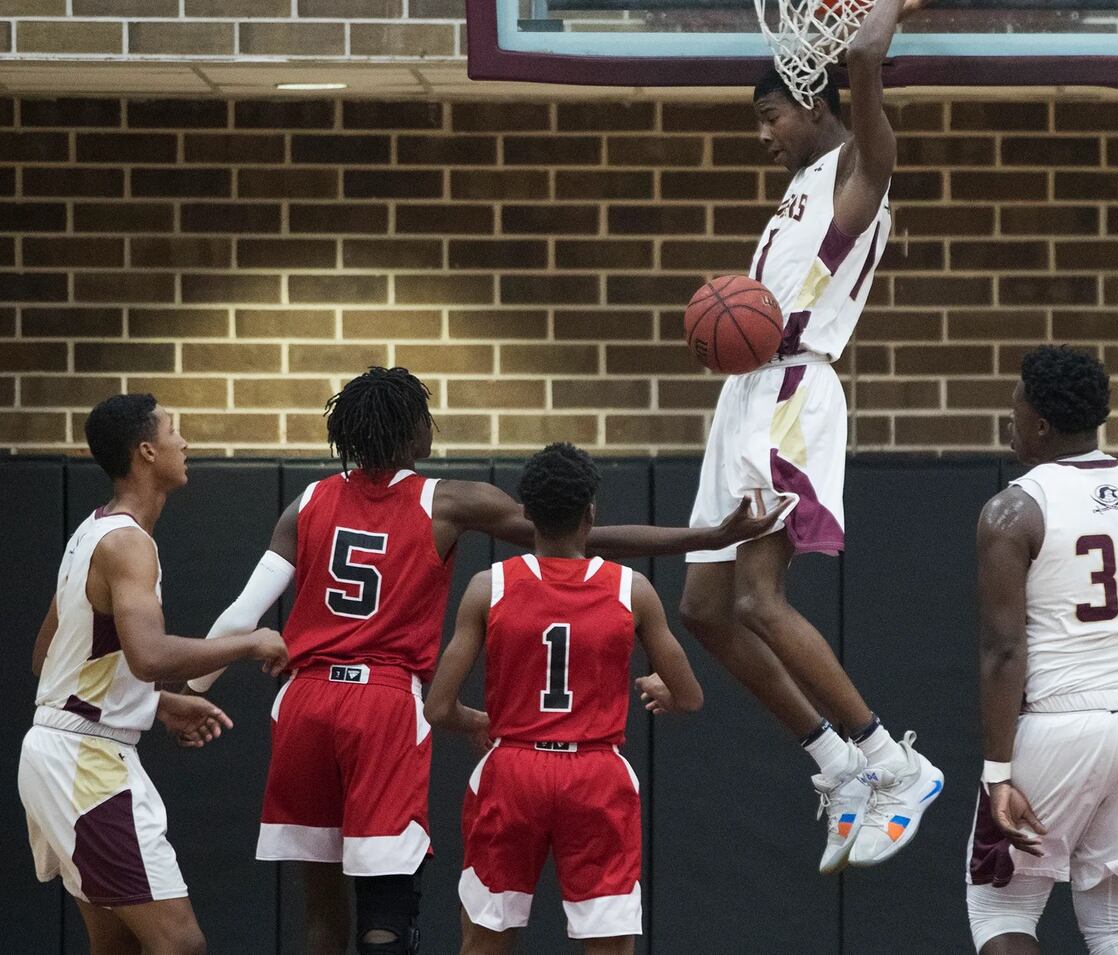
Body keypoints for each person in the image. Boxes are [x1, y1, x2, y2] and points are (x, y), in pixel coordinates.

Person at [187, 367, 777, 955]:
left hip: (305, 701)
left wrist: (190, 685)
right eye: (424, 415)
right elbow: (571, 541)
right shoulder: (447, 499)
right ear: (407, 431)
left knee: (319, 907)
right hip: (383, 700)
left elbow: (242, 613)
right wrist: (703, 539)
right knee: (388, 907)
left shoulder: (307, 501)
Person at [677, 0, 947, 874]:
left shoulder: (860, 167)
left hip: (794, 389)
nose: (762, 139)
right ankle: (838, 766)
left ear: (807, 99)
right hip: (746, 393)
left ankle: (892, 762)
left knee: (759, 596)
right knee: (705, 605)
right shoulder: (797, 185)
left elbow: (866, 53)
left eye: (768, 120)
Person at [19, 394, 288, 955]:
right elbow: (148, 655)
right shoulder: (128, 544)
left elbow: (49, 656)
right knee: (181, 944)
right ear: (146, 451)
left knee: (116, 944)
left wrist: (156, 705)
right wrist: (248, 643)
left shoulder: (93, 532)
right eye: (173, 431)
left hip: (63, 753)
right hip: (85, 767)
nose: (183, 442)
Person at [966, 346, 1118, 955]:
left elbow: (1003, 649)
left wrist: (998, 772)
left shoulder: (1013, 509)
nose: (1010, 418)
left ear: (1041, 423)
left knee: (1000, 906)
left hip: (1063, 722)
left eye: (1015, 406)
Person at [426, 442, 703, 955]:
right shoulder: (632, 589)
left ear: (526, 513)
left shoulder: (489, 586)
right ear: (591, 513)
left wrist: (477, 722)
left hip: (513, 769)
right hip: (595, 775)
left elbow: (437, 708)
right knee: (607, 944)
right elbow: (688, 696)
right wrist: (664, 687)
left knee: (485, 940)